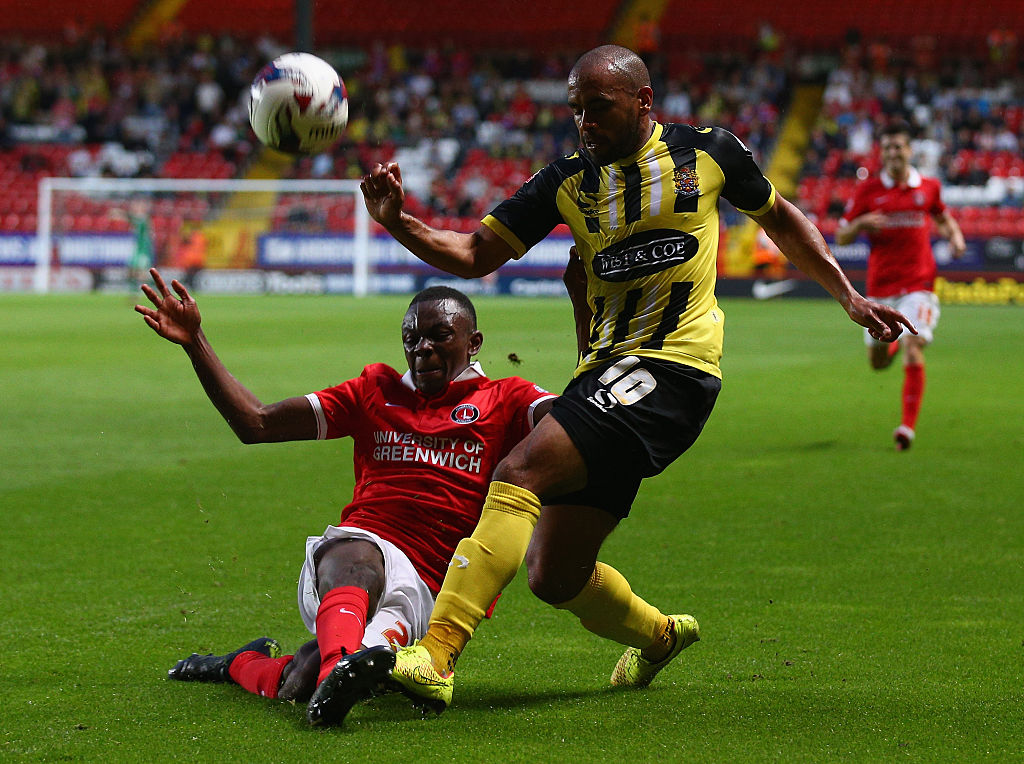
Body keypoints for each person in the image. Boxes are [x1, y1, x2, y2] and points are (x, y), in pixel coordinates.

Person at [344, 44, 915, 716]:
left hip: (675, 367)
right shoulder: (564, 182)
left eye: (599, 108)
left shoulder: (708, 154)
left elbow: (782, 219)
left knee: (517, 471)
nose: (584, 123)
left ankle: (435, 656)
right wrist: (396, 222)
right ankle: (659, 635)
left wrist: (848, 296)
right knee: (553, 575)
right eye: (576, 110)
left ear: (644, 102)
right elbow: (473, 253)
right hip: (605, 375)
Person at [135, 269, 556, 725]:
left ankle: (240, 664)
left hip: (428, 589)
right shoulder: (375, 391)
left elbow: (577, 420)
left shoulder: (508, 398)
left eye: (439, 336)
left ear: (473, 343)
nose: (423, 348)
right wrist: (195, 342)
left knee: (301, 678)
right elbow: (255, 423)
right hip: (356, 553)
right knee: (358, 564)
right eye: (411, 338)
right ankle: (338, 673)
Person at [836, 120, 965, 450]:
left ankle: (906, 428)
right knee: (878, 363)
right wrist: (862, 222)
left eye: (899, 146)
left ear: (909, 150)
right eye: (889, 147)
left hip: (919, 283)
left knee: (914, 347)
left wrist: (955, 236)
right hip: (880, 287)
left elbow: (942, 214)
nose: (894, 152)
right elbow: (841, 234)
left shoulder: (929, 186)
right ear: (883, 153)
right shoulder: (868, 191)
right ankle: (891, 340)